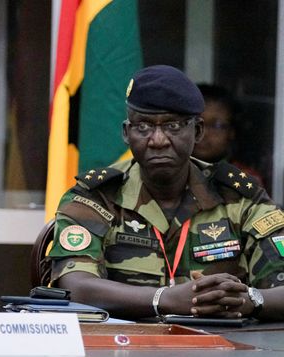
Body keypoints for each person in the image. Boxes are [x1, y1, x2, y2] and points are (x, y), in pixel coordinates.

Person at [48, 65, 284, 321]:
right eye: (144, 127)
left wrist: (250, 300)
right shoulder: (97, 196)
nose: (158, 139)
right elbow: (76, 286)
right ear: (127, 133)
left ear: (197, 131)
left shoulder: (239, 198)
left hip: (223, 350)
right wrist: (164, 299)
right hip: (125, 350)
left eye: (172, 126)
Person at [193, 83, 264, 185]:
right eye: (196, 122)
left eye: (216, 126)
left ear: (231, 132)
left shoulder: (245, 180)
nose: (203, 133)